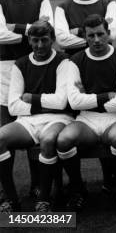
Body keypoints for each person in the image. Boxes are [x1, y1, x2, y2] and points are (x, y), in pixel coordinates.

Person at [56, 14, 116, 212]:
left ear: (109, 34)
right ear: (85, 37)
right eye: (91, 36)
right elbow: (74, 102)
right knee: (64, 140)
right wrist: (108, 96)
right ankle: (78, 189)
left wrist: (89, 98)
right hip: (87, 119)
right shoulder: (75, 61)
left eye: (101, 34)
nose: (97, 40)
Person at [0, 21, 71, 212]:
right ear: (29, 40)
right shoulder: (21, 64)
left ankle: (44, 199)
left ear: (53, 40)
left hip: (60, 119)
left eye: (45, 40)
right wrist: (44, 107)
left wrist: (32, 99)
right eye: (35, 40)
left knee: (48, 141)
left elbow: (62, 102)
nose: (40, 45)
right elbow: (14, 106)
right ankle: (11, 199)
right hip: (29, 119)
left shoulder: (64, 61)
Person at [0, 0, 53, 200]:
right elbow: (0, 35)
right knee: (4, 133)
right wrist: (30, 29)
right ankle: (6, 190)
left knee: (35, 130)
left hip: (35, 68)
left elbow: (46, 30)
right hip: (4, 71)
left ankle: (37, 185)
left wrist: (14, 27)